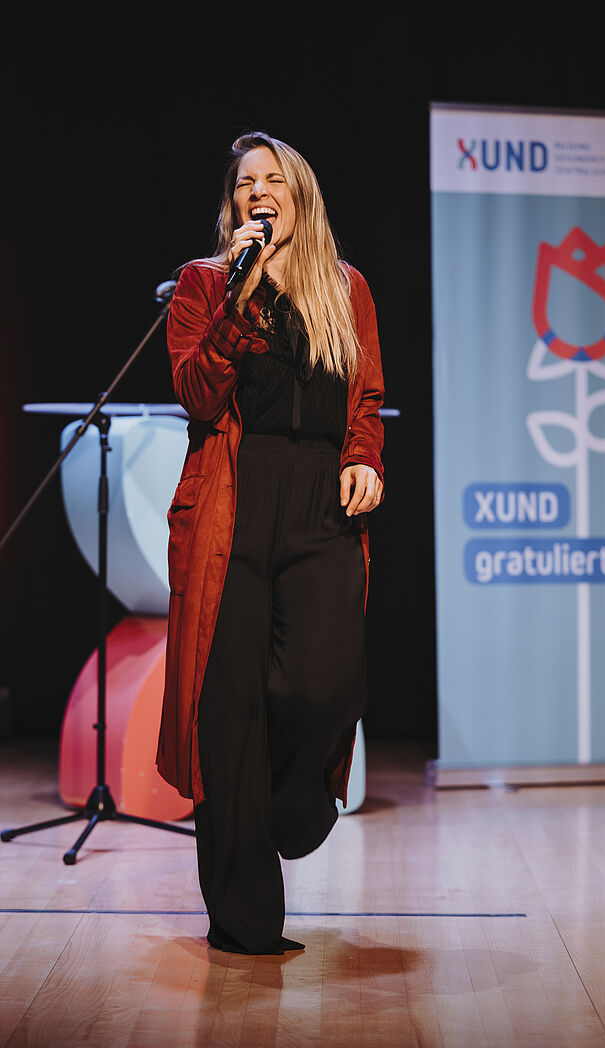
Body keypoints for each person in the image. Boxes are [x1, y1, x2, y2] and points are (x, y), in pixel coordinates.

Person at [155, 132, 385, 955]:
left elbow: (366, 397)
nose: (258, 191)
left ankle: (296, 807)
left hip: (319, 501)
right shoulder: (203, 283)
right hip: (232, 499)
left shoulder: (345, 287)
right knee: (229, 713)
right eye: (244, 182)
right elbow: (197, 393)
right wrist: (238, 296)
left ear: (300, 194)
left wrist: (364, 457)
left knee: (327, 682)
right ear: (234, 205)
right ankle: (244, 922)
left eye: (273, 179)